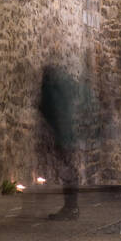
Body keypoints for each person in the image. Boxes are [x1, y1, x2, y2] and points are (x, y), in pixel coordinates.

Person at [39, 60, 85, 220]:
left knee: (67, 171)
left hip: (61, 137)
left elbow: (50, 113)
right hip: (67, 136)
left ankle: (70, 208)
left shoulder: (51, 93)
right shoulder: (64, 90)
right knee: (68, 170)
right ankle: (71, 207)